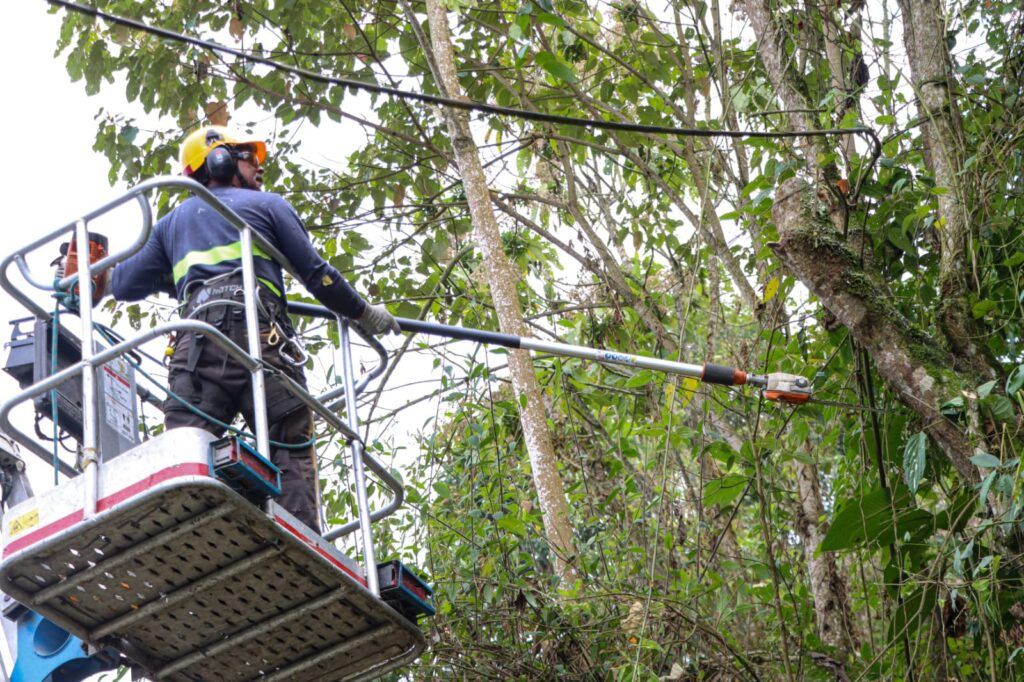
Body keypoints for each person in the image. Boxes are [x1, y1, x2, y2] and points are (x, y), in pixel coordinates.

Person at [109, 125, 399, 533]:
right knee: (289, 451)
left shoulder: (172, 226)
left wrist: (176, 278)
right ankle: (302, 548)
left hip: (197, 347)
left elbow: (122, 284)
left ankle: (188, 535)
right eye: (250, 158)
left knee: (187, 452)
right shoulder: (267, 207)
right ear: (219, 161)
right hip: (263, 341)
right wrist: (362, 312)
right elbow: (318, 276)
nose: (259, 168)